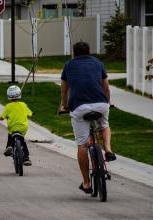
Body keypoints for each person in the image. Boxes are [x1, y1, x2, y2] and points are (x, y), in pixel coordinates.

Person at [60, 41, 116, 194]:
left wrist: (64, 105)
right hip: (101, 104)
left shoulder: (68, 65)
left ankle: (86, 183)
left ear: (74, 53)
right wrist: (108, 102)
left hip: (79, 107)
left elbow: (64, 89)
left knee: (82, 145)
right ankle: (108, 149)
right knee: (104, 125)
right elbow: (106, 87)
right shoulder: (98, 63)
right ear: (89, 51)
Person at [0, 85, 33, 166]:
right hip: (23, 127)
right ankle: (26, 158)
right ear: (19, 94)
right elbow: (30, 114)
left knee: (10, 136)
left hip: (12, 128)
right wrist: (30, 114)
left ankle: (9, 147)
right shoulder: (23, 104)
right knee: (22, 141)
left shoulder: (8, 106)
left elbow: (3, 117)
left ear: (8, 95)